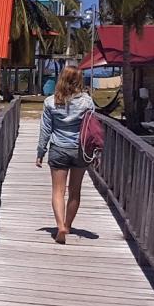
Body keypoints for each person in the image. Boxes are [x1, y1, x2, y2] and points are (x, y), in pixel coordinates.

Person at [36, 65, 96, 244]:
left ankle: (60, 225)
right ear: (79, 81)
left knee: (58, 191)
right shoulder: (87, 102)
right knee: (75, 191)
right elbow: (92, 128)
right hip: (80, 150)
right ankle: (68, 225)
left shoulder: (50, 102)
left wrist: (40, 152)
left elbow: (45, 130)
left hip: (58, 149)